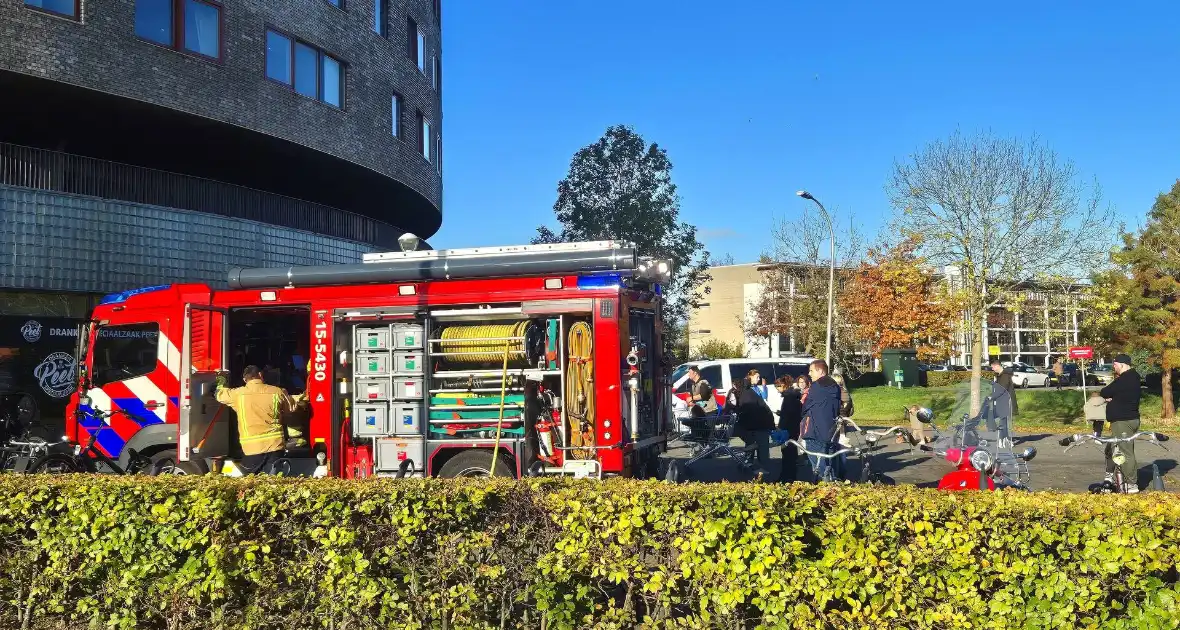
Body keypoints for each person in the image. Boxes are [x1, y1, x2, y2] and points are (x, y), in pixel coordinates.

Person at [215, 365, 302, 474]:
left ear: (244, 379)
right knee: (274, 482)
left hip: (252, 448)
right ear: (260, 375)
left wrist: (221, 380)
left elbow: (219, 395)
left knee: (251, 482)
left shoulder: (238, 394)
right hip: (275, 445)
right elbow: (291, 409)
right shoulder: (277, 392)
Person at [1099, 354, 1142, 493]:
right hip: (1124, 419)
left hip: (1124, 420)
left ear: (1122, 364)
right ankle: (1109, 476)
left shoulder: (1126, 378)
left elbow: (1105, 391)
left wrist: (1111, 397)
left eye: (1115, 365)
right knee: (1110, 448)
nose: (1114, 368)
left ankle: (1131, 484)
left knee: (1125, 452)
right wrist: (1114, 398)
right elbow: (1116, 394)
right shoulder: (1132, 377)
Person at [723, 374, 774, 475]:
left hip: (762, 421)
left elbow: (745, 409)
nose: (733, 388)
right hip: (755, 421)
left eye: (734, 386)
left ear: (737, 385)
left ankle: (763, 468)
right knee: (750, 439)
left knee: (761, 444)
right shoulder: (743, 392)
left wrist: (734, 411)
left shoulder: (746, 395)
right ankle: (749, 461)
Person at [800, 359, 842, 482]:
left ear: (820, 371)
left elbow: (806, 407)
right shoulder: (835, 385)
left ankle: (824, 491)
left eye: (811, 371)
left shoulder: (817, 386)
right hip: (831, 430)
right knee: (830, 463)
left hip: (815, 431)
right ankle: (833, 488)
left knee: (818, 467)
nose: (809, 374)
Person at [774, 374, 807, 483]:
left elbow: (788, 415)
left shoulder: (789, 397)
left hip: (788, 429)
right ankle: (787, 476)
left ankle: (788, 477)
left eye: (778, 387)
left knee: (788, 454)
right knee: (790, 453)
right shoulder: (793, 396)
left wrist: (780, 427)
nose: (777, 390)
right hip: (794, 428)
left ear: (783, 385)